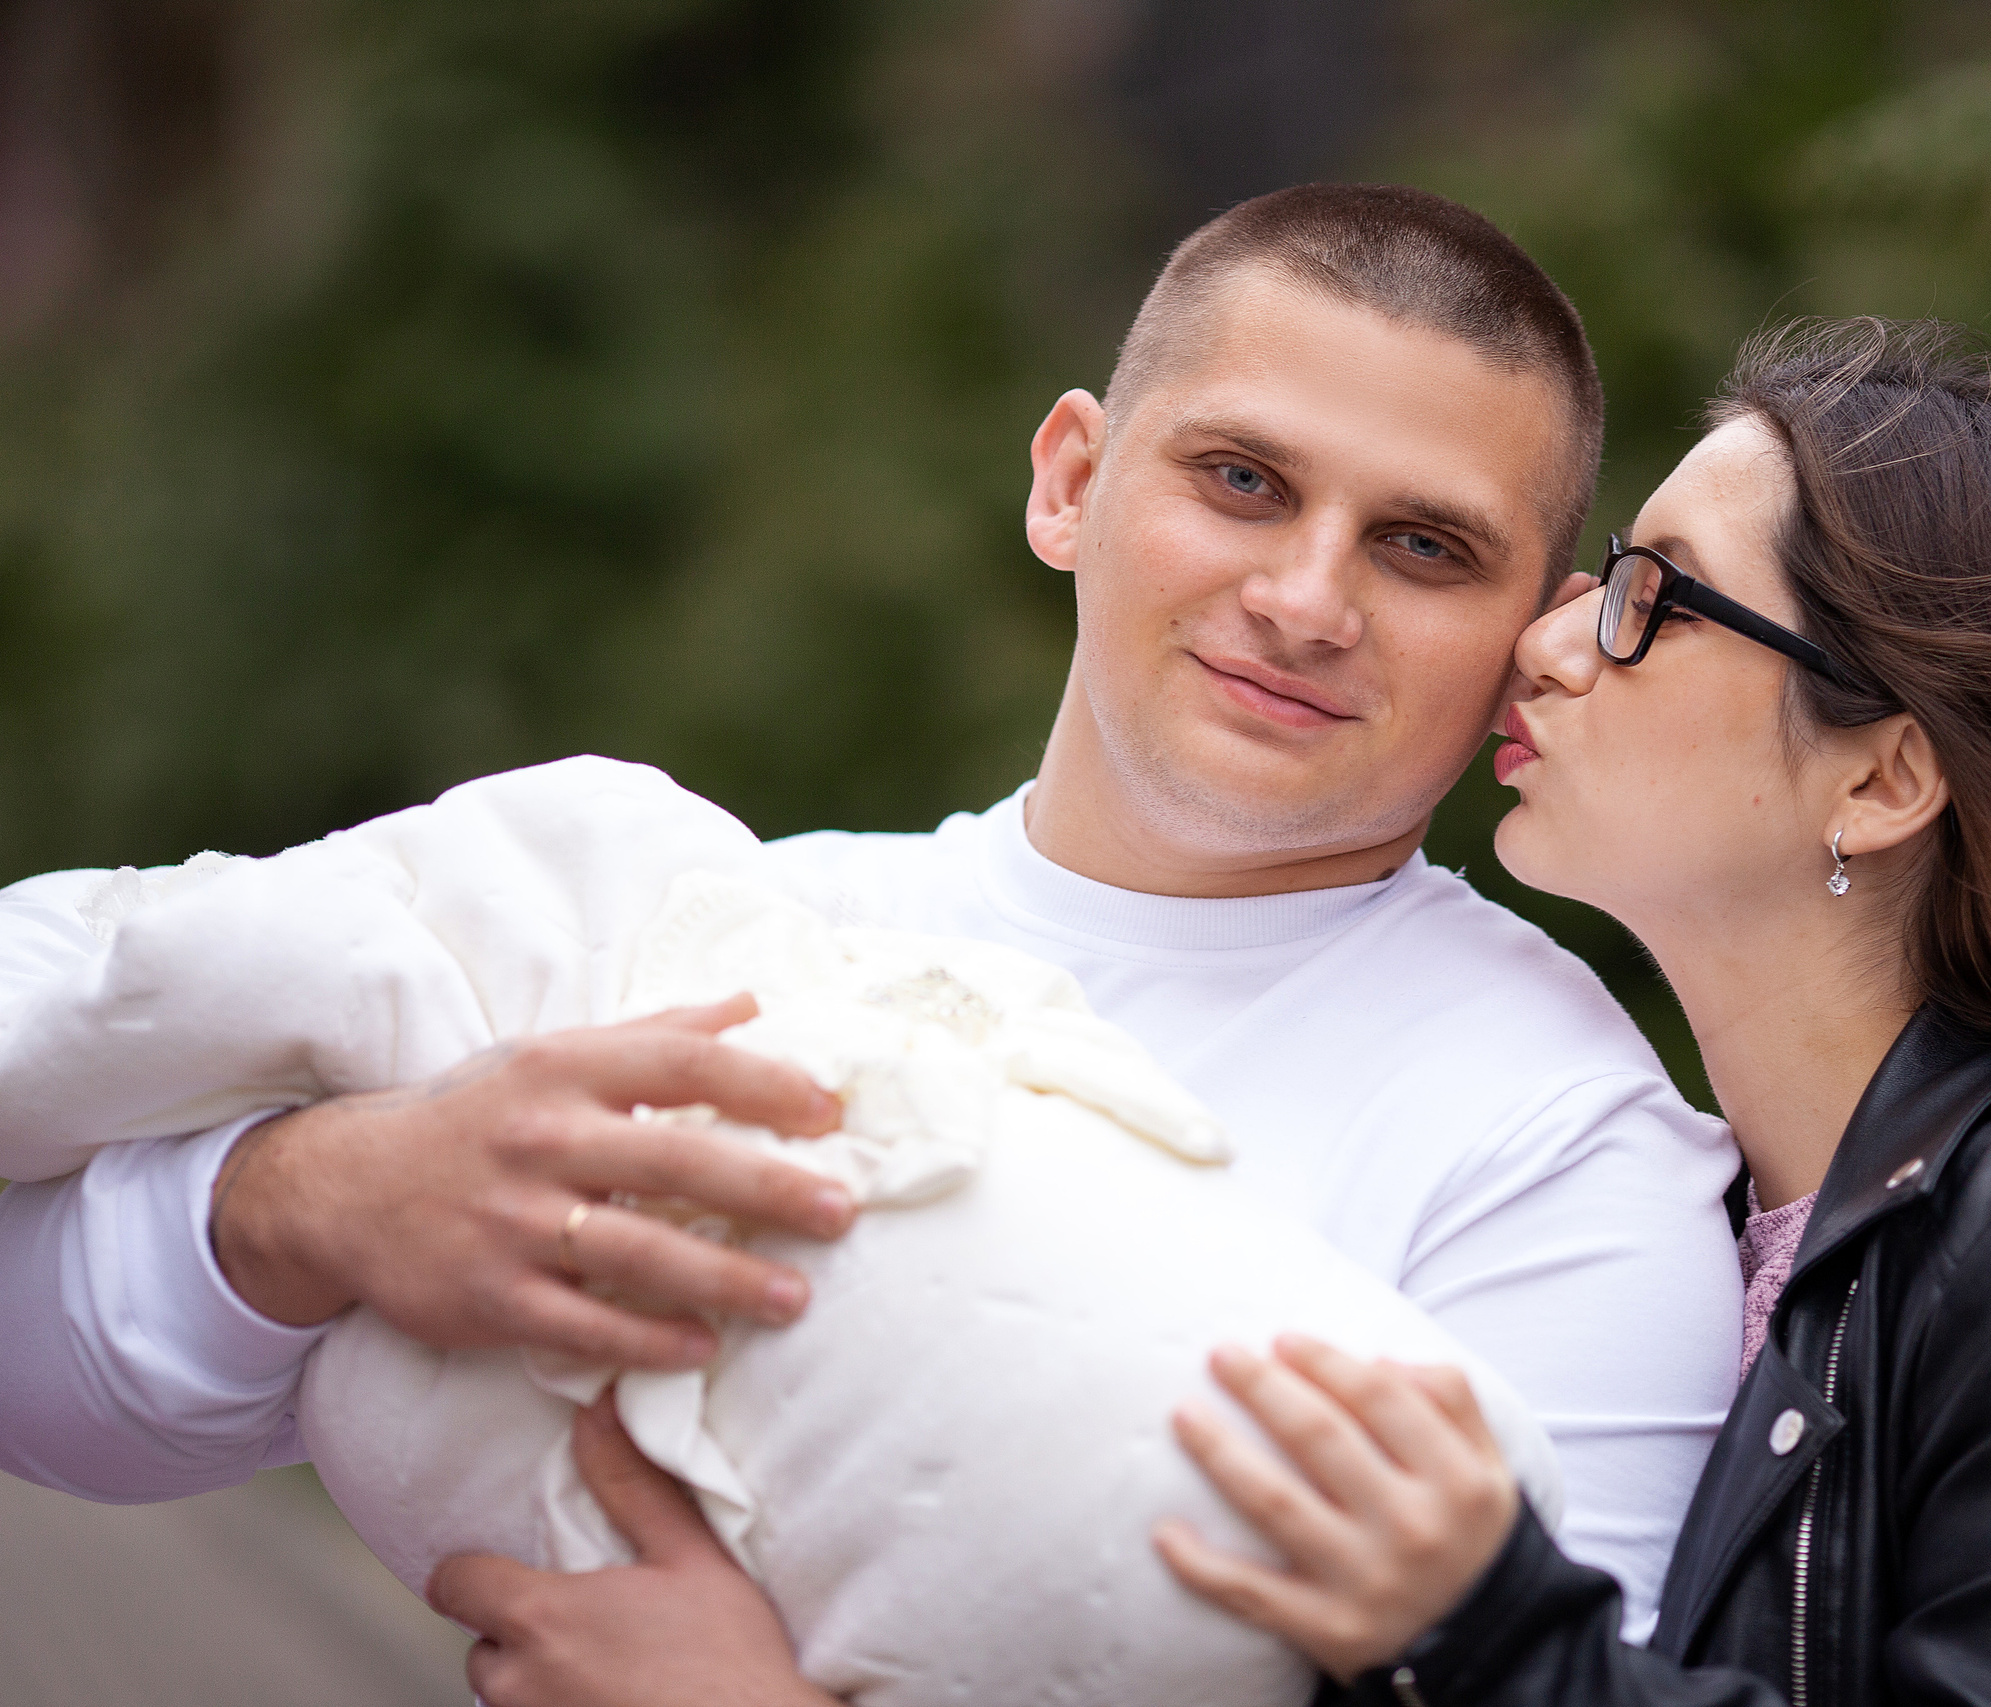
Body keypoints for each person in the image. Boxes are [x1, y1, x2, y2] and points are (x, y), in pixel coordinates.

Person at [0, 183, 1738, 1658]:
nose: (1304, 602)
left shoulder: (1564, 1155)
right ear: (1072, 480)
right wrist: (315, 1207)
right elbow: (48, 1414)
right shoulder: (742, 915)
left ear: (1536, 624)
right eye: (1243, 482)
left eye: (1425, 549)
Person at [1134, 318, 1991, 1707]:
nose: (1544, 644)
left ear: (1883, 782)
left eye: (1649, 598)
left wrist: (1498, 1632)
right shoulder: (1724, 1231)